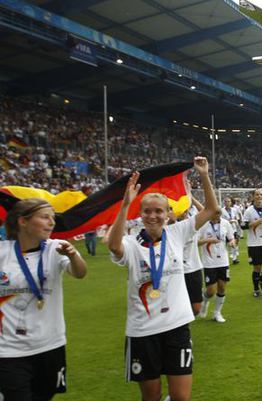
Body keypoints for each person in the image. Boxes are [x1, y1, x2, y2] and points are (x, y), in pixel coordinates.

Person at [107, 157, 219, 401]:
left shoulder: (177, 233)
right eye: (147, 211)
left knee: (181, 397)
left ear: (168, 214)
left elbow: (212, 210)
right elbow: (113, 246)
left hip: (177, 327)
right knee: (152, 396)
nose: (153, 216)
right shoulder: (130, 243)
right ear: (141, 214)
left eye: (159, 211)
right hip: (142, 332)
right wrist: (125, 206)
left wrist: (204, 175)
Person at [0, 198, 87, 401]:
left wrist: (73, 255)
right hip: (8, 350)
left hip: (50, 345)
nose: (51, 222)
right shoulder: (3, 252)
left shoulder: (56, 247)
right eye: (44, 217)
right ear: (23, 221)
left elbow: (80, 272)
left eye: (52, 218)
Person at [197, 210, 235, 322]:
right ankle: (204, 301)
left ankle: (217, 313)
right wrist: (208, 240)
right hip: (209, 262)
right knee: (210, 291)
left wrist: (232, 242)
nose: (217, 216)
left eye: (219, 214)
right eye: (215, 213)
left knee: (222, 287)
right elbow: (196, 242)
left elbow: (231, 237)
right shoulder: (203, 225)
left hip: (223, 261)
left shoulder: (225, 223)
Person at [220, 197, 241, 265]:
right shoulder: (221, 211)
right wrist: (228, 222)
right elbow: (220, 220)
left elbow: (237, 218)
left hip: (233, 229)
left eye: (229, 201)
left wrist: (235, 221)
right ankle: (223, 259)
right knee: (224, 244)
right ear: (224, 203)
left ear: (231, 202)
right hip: (225, 230)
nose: (227, 203)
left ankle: (235, 258)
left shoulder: (234, 210)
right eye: (226, 201)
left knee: (235, 243)